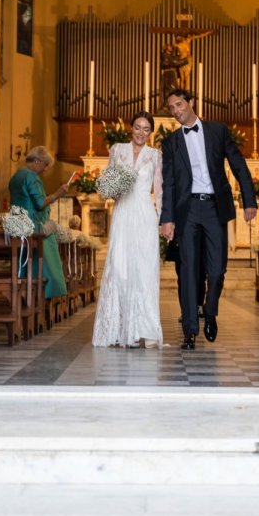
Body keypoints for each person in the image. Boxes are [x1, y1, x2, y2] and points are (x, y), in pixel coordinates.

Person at [159, 88, 256, 350]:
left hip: (214, 208)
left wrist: (249, 200)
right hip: (187, 210)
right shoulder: (170, 143)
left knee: (217, 269)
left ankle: (210, 310)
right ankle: (190, 330)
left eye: (179, 105)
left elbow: (238, 165)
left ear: (191, 103)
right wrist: (166, 218)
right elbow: (167, 183)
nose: (176, 111)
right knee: (188, 271)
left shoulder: (218, 131)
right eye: (171, 108)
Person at [92, 112, 164, 348]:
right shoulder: (117, 150)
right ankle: (118, 329)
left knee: (143, 268)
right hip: (123, 211)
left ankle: (143, 329)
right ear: (130, 128)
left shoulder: (155, 155)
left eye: (146, 129)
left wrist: (164, 221)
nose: (141, 133)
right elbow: (110, 183)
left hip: (144, 214)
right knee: (120, 267)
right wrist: (111, 189)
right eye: (137, 127)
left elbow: (159, 190)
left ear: (151, 132)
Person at [8, 146, 69, 299]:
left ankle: (25, 292)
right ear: (36, 161)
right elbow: (40, 203)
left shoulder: (17, 175)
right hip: (33, 226)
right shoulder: (31, 176)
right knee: (49, 240)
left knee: (24, 258)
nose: (46, 169)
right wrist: (58, 194)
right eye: (45, 164)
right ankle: (46, 293)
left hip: (18, 224)